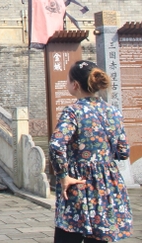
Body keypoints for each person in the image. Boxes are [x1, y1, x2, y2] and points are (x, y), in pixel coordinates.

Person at [49, 60, 133, 243]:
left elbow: (56, 145)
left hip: (79, 182)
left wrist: (63, 175)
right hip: (107, 184)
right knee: (100, 234)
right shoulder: (113, 112)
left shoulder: (73, 112)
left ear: (75, 85)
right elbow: (123, 151)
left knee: (69, 233)